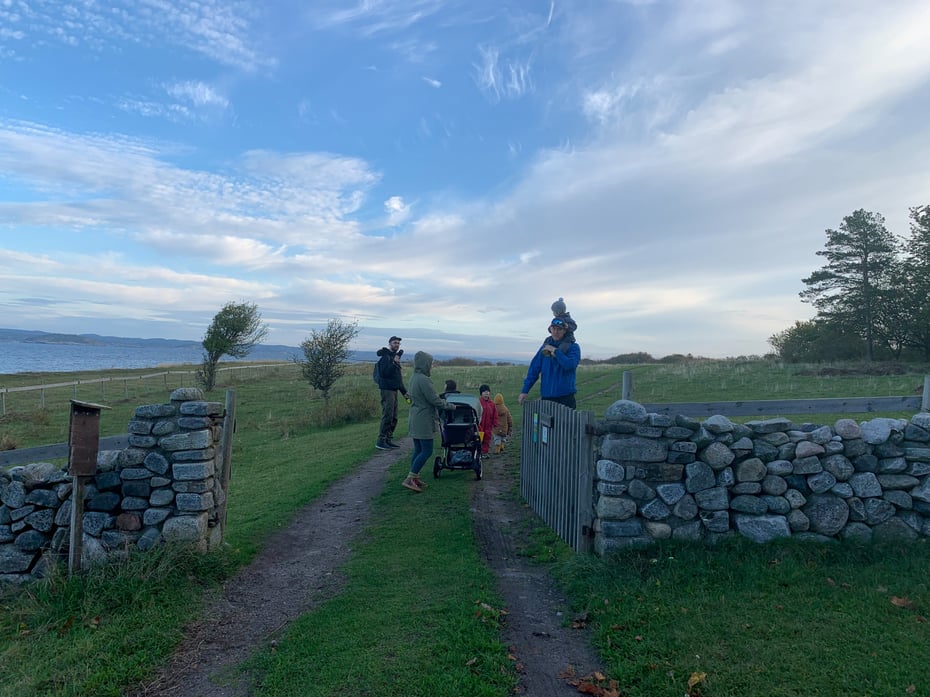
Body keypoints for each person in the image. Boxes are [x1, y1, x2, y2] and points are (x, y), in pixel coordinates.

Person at [404, 351, 453, 492]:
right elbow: (435, 400)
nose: (431, 366)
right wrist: (451, 406)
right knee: (427, 450)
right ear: (425, 364)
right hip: (423, 418)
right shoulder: (424, 380)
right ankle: (410, 478)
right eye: (430, 364)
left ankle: (414, 477)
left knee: (418, 449)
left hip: (415, 416)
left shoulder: (414, 377)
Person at [518, 317, 581, 409]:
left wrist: (556, 352)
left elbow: (570, 365)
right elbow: (534, 369)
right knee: (546, 423)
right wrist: (525, 391)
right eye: (553, 328)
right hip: (547, 398)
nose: (556, 332)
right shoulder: (545, 347)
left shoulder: (573, 347)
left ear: (564, 331)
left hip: (565, 398)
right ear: (550, 329)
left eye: (559, 329)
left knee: (566, 423)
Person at [374, 335, 410, 450]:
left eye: (398, 343)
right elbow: (385, 373)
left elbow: (397, 378)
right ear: (389, 344)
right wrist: (394, 363)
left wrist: (404, 392)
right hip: (387, 390)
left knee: (394, 416)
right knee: (388, 415)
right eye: (395, 343)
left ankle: (388, 440)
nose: (397, 345)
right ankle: (381, 441)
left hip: (394, 390)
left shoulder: (394, 357)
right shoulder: (385, 357)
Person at [477, 384, 499, 455]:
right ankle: (478, 452)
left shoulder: (492, 404)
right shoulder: (478, 402)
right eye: (484, 392)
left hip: (488, 425)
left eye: (487, 392)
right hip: (480, 425)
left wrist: (495, 423)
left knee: (487, 438)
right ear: (481, 393)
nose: (486, 393)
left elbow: (495, 414)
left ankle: (485, 452)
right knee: (479, 438)